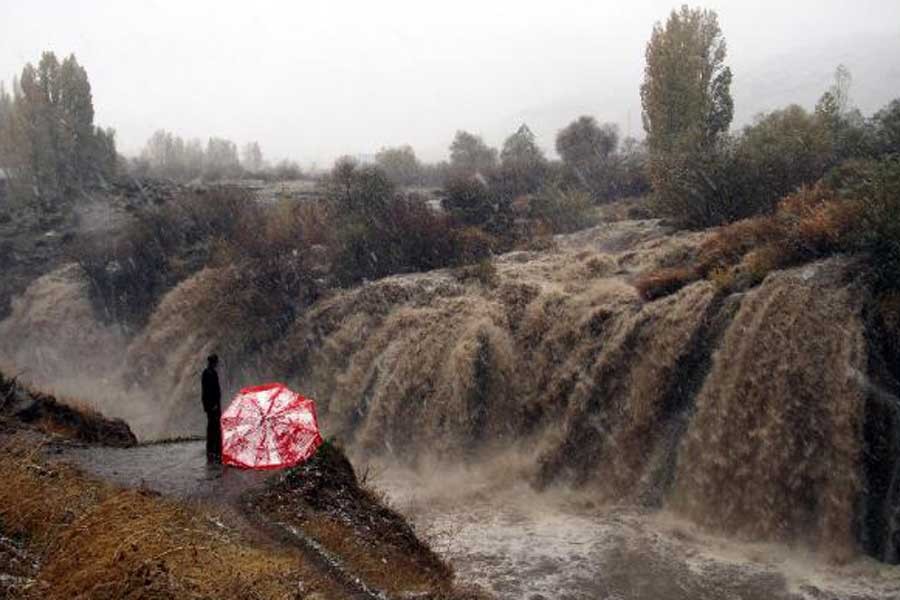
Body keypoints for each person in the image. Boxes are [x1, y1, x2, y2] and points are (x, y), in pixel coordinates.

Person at [201, 354, 222, 463]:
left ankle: (214, 448)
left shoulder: (211, 373)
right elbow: (207, 392)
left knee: (214, 426)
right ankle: (213, 449)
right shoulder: (208, 373)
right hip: (212, 406)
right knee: (213, 426)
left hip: (214, 405)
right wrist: (212, 405)